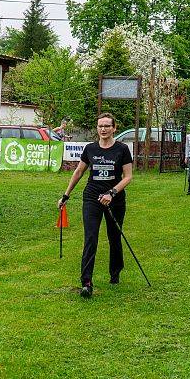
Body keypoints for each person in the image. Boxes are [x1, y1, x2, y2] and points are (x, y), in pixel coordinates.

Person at [57, 113, 133, 298]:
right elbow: (79, 172)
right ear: (97, 128)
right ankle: (86, 282)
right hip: (92, 197)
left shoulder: (122, 149)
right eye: (100, 126)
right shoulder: (90, 149)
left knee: (114, 236)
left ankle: (115, 272)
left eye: (107, 126)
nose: (104, 129)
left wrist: (112, 193)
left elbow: (128, 177)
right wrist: (66, 195)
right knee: (91, 237)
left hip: (114, 198)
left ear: (114, 128)